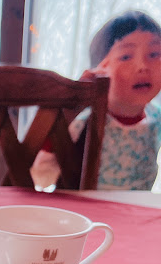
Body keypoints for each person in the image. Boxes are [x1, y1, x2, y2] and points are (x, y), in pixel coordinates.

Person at [31, 10, 161, 190]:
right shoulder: (83, 119)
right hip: (83, 207)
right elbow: (40, 176)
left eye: (154, 54)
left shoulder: (156, 117)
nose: (142, 66)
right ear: (100, 68)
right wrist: (72, 106)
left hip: (137, 206)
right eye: (126, 56)